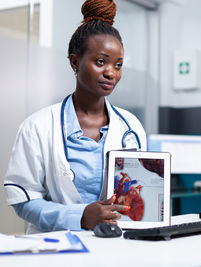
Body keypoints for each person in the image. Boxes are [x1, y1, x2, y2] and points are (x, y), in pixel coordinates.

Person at [3, 0, 146, 233]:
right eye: (101, 62)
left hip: (116, 247)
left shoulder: (131, 127)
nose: (110, 72)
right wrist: (78, 217)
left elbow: (134, 194)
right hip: (55, 247)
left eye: (118, 65)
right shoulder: (37, 127)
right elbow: (23, 199)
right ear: (75, 62)